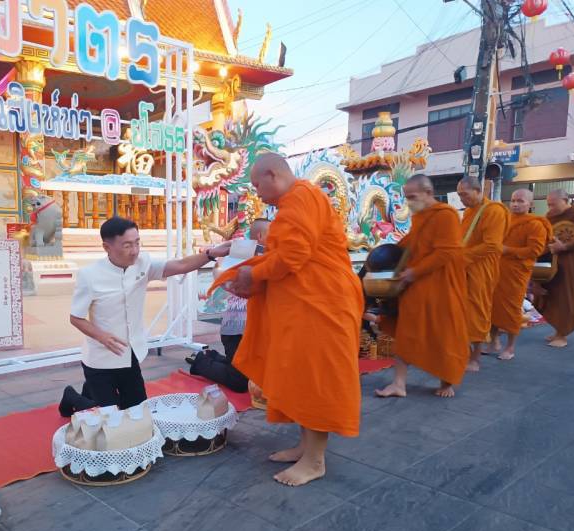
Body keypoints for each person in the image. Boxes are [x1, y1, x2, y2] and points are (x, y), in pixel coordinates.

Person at [211, 153, 363, 487]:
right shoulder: (295, 202)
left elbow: (293, 256)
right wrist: (254, 276)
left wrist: (254, 273)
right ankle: (305, 447)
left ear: (272, 174)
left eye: (256, 184)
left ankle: (315, 461)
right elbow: (289, 255)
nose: (256, 192)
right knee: (301, 376)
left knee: (316, 379)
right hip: (308, 305)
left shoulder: (301, 198)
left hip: (325, 305)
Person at [59, 217, 230, 416]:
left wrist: (211, 254)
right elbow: (76, 317)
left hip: (130, 353)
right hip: (100, 359)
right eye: (127, 245)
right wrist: (102, 336)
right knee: (110, 418)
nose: (134, 250)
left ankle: (91, 394)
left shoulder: (143, 264)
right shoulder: (89, 275)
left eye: (137, 242)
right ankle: (71, 397)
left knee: (137, 412)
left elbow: (181, 265)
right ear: (107, 246)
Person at [375, 175, 469, 398]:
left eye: (412, 197)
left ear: (428, 193)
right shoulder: (421, 216)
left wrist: (415, 272)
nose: (408, 202)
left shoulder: (446, 215)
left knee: (443, 334)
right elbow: (413, 242)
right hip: (416, 285)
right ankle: (399, 384)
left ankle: (446, 382)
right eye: (406, 197)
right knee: (405, 332)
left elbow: (447, 252)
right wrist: (387, 254)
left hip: (440, 285)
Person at [187, 219, 270, 392]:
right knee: (240, 382)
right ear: (261, 236)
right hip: (236, 330)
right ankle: (201, 362)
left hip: (256, 329)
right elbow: (219, 275)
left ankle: (214, 356)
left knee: (253, 371)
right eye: (274, 234)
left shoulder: (271, 258)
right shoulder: (241, 256)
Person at [488, 189, 552, 360]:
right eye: (513, 200)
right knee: (492, 306)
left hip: (516, 272)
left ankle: (510, 347)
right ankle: (494, 341)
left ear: (530, 204)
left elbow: (535, 250)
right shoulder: (505, 220)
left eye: (521, 201)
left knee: (512, 309)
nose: (515, 204)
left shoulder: (535, 224)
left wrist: (508, 250)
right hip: (497, 270)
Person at [457, 175, 509, 372]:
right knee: (461, 311)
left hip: (481, 268)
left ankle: (475, 358)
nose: (462, 199)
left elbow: (492, 245)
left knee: (477, 311)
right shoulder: (469, 212)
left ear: (478, 191)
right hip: (463, 268)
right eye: (460, 195)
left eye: (465, 194)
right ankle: (464, 352)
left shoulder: (494, 211)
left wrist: (462, 257)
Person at [534, 189, 574, 347]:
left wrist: (565, 246)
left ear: (566, 200)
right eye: (548, 205)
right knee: (550, 295)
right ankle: (557, 330)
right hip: (551, 260)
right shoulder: (549, 217)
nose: (550, 208)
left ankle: (562, 335)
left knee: (566, 298)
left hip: (572, 263)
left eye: (553, 204)